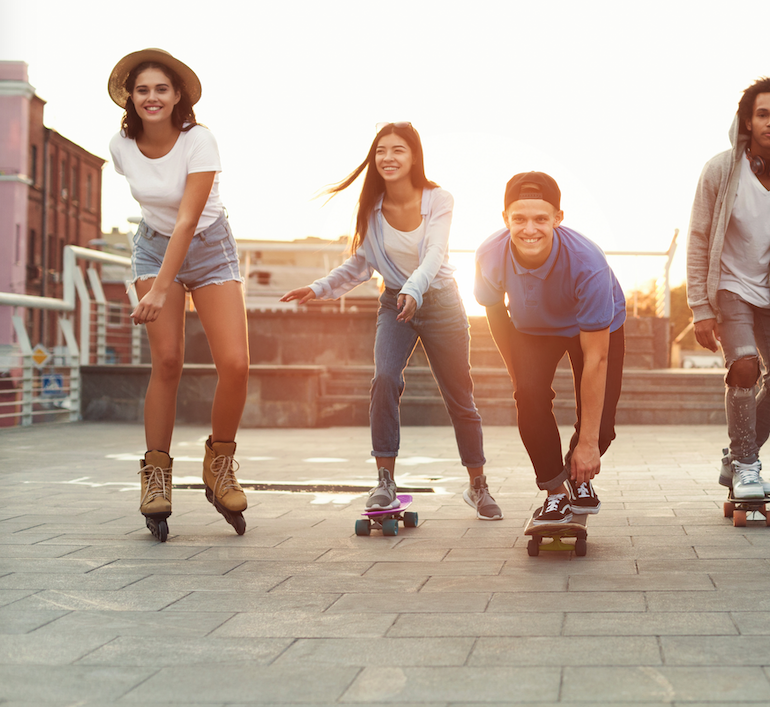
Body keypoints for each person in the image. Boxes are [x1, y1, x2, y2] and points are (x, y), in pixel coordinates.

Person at [280, 123, 501, 520]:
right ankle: (385, 480)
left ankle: (477, 485)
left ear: (414, 156)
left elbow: (435, 253)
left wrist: (415, 291)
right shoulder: (372, 208)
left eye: (398, 150)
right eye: (381, 150)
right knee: (384, 378)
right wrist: (318, 288)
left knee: (459, 396)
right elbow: (362, 263)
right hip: (393, 304)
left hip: (441, 303)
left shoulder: (439, 199)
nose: (388, 158)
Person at [107, 48, 249, 540]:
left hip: (209, 247)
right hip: (151, 250)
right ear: (132, 97)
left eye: (161, 89)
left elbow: (188, 219)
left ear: (177, 97)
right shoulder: (120, 146)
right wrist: (157, 283)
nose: (151, 97)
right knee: (167, 361)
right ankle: (155, 478)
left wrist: (162, 291)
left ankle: (219, 465)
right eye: (143, 89)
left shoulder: (199, 141)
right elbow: (161, 218)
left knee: (235, 363)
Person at [686, 77, 770, 502]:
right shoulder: (720, 169)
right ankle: (747, 467)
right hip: (728, 287)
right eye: (763, 113)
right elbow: (698, 237)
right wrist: (699, 307)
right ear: (747, 120)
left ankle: (738, 456)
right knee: (744, 367)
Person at [474, 172, 625, 526]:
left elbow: (596, 359)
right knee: (527, 395)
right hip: (533, 329)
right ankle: (556, 493)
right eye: (519, 219)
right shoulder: (490, 255)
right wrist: (519, 376)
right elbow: (495, 312)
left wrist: (587, 444)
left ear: (558, 218)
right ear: (505, 219)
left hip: (591, 328)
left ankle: (578, 478)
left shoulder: (588, 264)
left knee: (601, 428)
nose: (530, 229)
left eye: (541, 218)